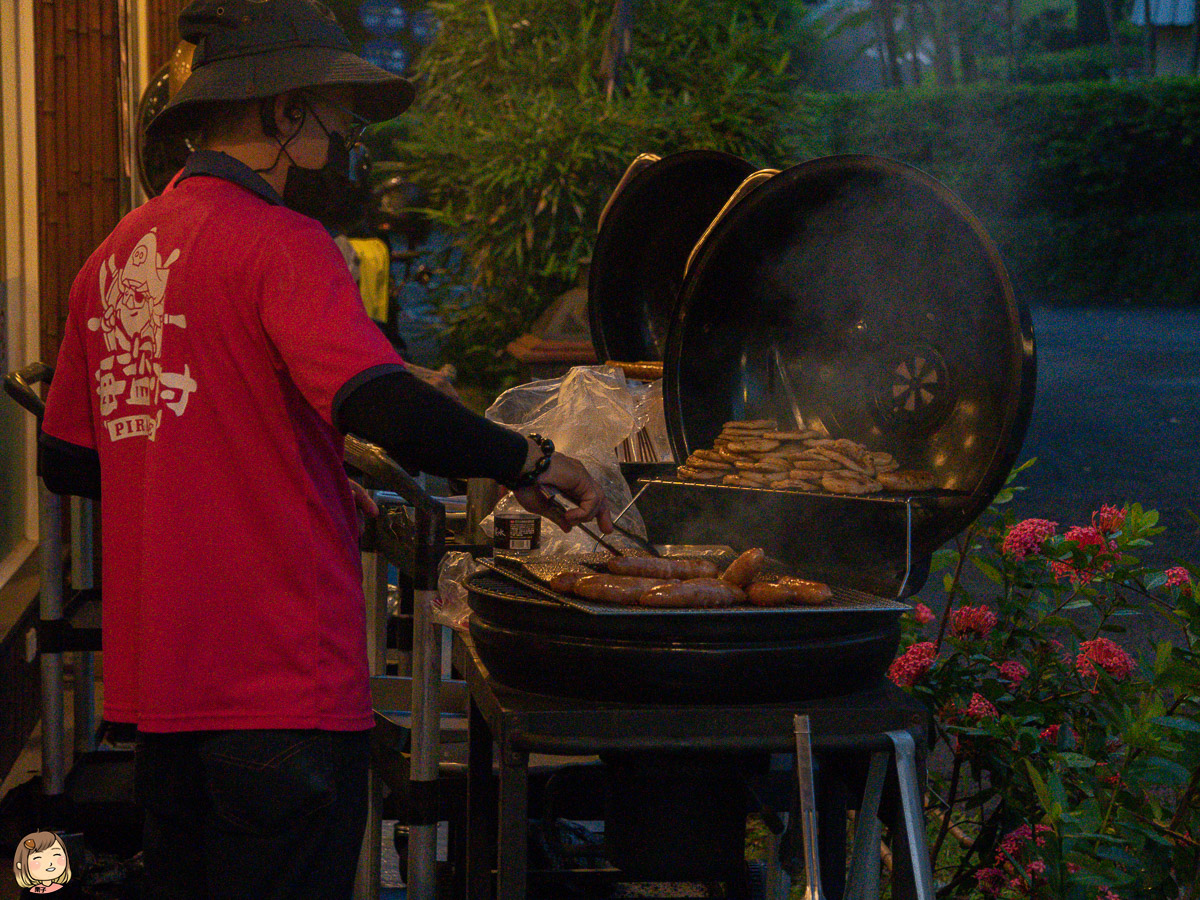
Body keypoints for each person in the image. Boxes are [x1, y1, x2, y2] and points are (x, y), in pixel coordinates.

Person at [37, 1, 612, 898]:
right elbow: (381, 400)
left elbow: (69, 457)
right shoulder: (283, 244)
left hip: (162, 686)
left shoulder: (111, 257)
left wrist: (263, 464)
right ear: (282, 112)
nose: (345, 129)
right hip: (281, 681)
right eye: (334, 105)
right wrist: (532, 461)